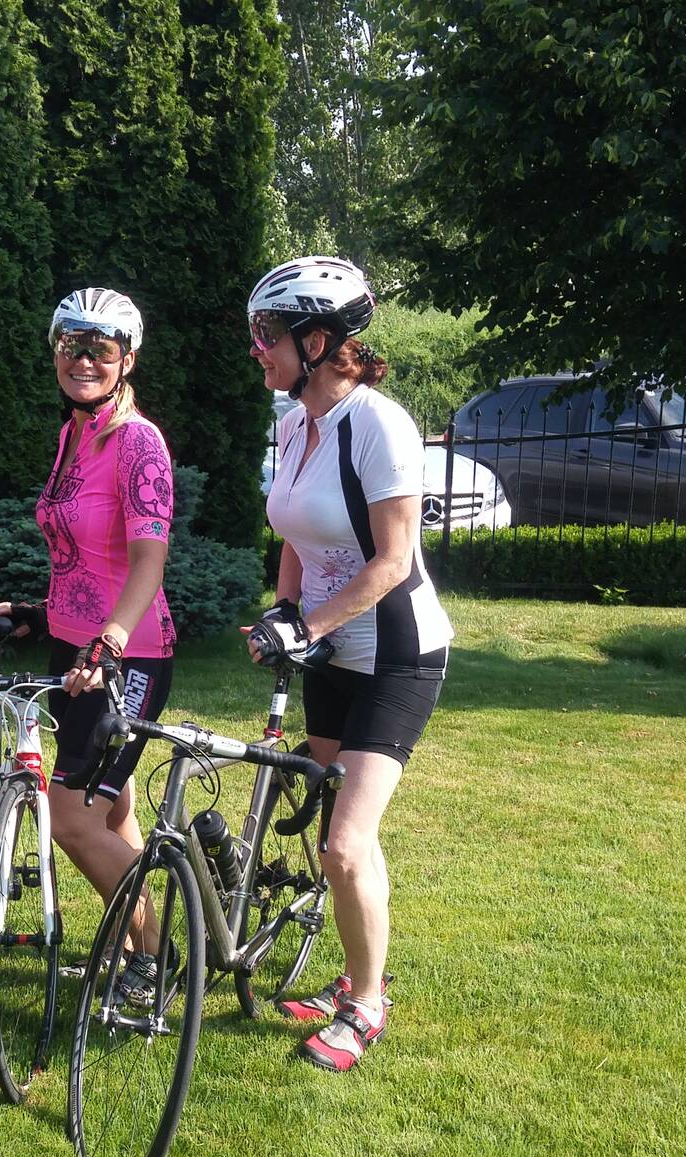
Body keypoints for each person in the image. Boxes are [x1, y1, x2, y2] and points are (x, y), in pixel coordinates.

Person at [246, 255, 452, 1071]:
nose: (257, 349)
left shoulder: (378, 424)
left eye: (268, 334)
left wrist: (307, 625)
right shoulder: (293, 423)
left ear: (317, 340)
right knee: (339, 827)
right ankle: (354, 971)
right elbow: (297, 533)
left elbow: (393, 560)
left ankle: (365, 1005)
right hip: (331, 650)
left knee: (343, 843)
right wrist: (284, 608)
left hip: (397, 655)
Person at [0, 287, 176, 1005]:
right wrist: (42, 614)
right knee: (111, 814)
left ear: (128, 359)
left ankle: (159, 960)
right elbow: (84, 556)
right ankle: (129, 943)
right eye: (72, 344)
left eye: (102, 348)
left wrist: (110, 642)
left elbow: (147, 562)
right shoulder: (75, 434)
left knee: (70, 818)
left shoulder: (138, 442)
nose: (85, 360)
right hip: (74, 649)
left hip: (126, 656)